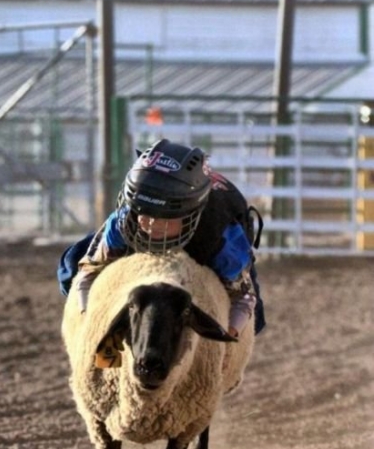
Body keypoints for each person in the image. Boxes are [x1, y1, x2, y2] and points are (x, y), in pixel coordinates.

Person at [58, 139, 265, 337]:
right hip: (136, 240)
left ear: (188, 215)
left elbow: (244, 298)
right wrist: (89, 317)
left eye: (164, 219)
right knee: (71, 265)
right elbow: (89, 271)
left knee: (254, 320)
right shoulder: (125, 222)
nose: (150, 224)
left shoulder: (218, 239)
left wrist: (228, 335)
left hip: (201, 245)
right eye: (144, 214)